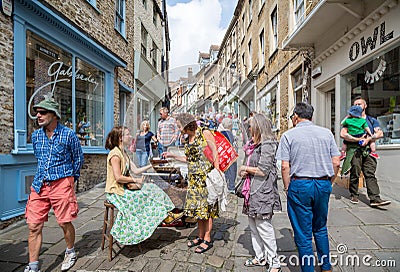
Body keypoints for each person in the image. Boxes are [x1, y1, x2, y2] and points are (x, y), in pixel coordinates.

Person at [276, 102, 340, 272]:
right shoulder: (327, 133)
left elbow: (284, 166)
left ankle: (308, 270)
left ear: (296, 117)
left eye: (292, 117)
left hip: (300, 183)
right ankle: (326, 267)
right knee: (320, 227)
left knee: (303, 234)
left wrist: (288, 188)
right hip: (322, 182)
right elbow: (336, 161)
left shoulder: (289, 136)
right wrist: (330, 182)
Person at [25, 98, 84, 272]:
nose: (38, 115)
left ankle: (70, 251)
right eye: (37, 112)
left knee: (64, 222)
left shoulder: (68, 134)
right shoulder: (36, 136)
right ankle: (33, 265)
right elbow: (40, 158)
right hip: (40, 184)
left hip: (62, 182)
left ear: (54, 115)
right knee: (34, 225)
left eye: (43, 112)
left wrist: (70, 180)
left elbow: (78, 158)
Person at [105, 126, 174, 245]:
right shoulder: (115, 154)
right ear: (121, 138)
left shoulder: (124, 153)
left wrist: (151, 165)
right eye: (127, 134)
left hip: (124, 188)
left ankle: (165, 213)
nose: (130, 136)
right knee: (142, 197)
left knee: (152, 189)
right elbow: (118, 177)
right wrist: (136, 180)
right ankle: (132, 229)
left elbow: (136, 170)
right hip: (115, 192)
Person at [163, 113, 219, 254]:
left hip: (205, 177)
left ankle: (207, 238)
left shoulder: (204, 133)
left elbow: (215, 152)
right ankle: (200, 236)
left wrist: (217, 172)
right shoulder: (188, 138)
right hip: (194, 178)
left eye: (178, 125)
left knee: (207, 209)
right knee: (197, 209)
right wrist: (172, 156)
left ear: (186, 124)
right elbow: (188, 158)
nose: (177, 128)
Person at [238, 114, 282, 271]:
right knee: (254, 227)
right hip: (252, 191)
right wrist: (244, 171)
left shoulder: (268, 144)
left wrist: (245, 169)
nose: (248, 129)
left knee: (264, 227)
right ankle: (260, 257)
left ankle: (275, 262)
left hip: (263, 191)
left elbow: (263, 170)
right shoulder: (253, 145)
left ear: (257, 127)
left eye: (250, 126)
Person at [340, 97, 391, 207]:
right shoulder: (350, 119)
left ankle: (375, 198)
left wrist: (368, 139)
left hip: (368, 150)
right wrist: (357, 140)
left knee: (370, 174)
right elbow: (343, 134)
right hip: (354, 150)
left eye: (360, 104)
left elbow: (380, 133)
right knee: (355, 173)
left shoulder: (372, 120)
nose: (358, 106)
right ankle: (354, 194)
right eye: (355, 104)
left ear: (365, 106)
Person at [218, 118, 238, 193]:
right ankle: (231, 186)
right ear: (231, 125)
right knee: (232, 171)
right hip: (230, 155)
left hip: (223, 155)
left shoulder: (221, 133)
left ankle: (225, 185)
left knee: (225, 171)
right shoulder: (229, 134)